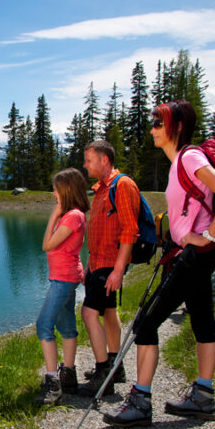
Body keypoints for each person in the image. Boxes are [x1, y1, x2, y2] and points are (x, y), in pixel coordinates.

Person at [103, 99, 215, 427]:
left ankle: (140, 401)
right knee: (203, 319)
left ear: (176, 127)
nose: (151, 128)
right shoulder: (180, 160)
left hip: (194, 256)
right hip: (193, 254)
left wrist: (206, 235)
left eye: (157, 123)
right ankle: (203, 397)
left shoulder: (190, 157)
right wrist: (178, 233)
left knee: (145, 323)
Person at [79, 140, 140, 397]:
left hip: (109, 264)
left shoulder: (122, 185)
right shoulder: (103, 189)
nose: (85, 165)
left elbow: (130, 229)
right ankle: (116, 367)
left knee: (89, 313)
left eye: (89, 160)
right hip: (98, 262)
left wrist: (117, 269)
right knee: (109, 312)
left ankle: (104, 372)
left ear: (104, 160)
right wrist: (90, 267)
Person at [33, 168, 90, 404]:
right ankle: (68, 375)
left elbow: (47, 245)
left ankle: (52, 383)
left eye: (56, 189)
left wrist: (53, 215)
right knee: (66, 327)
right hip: (65, 277)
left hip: (64, 279)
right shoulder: (74, 215)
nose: (53, 193)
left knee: (43, 325)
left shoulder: (72, 216)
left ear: (66, 190)